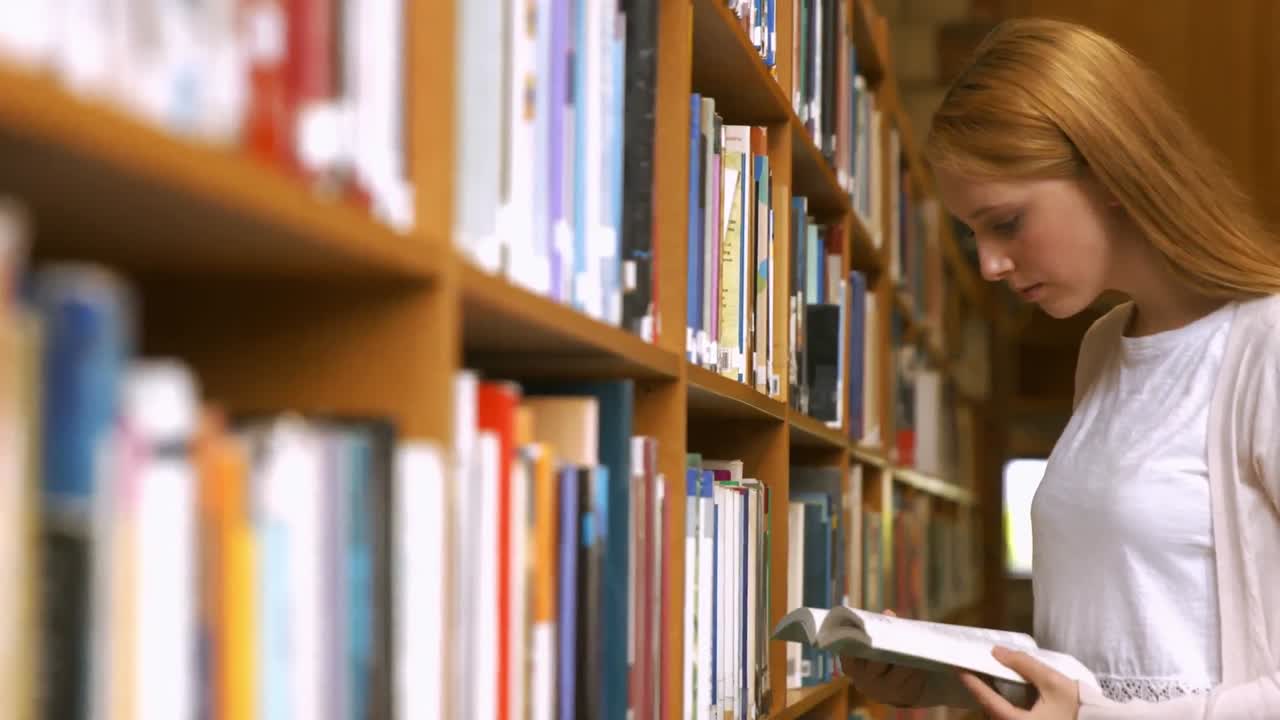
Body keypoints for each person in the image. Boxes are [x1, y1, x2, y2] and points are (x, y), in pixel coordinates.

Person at [843, 17, 1280, 720]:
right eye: (973, 234)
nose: (989, 265)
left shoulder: (1266, 344)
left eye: (1007, 223)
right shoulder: (1104, 348)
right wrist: (947, 681)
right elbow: (1104, 657)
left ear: (1108, 173)